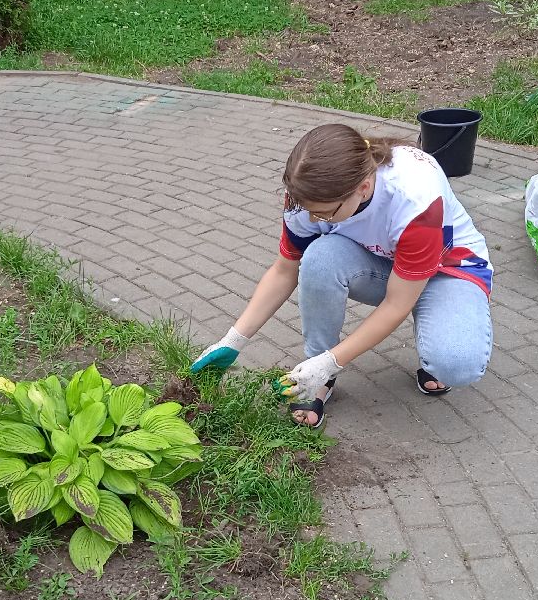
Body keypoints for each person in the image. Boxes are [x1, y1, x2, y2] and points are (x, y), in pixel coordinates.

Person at [190, 123, 493, 427]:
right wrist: (233, 340)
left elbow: (395, 305)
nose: (312, 219)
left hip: (448, 271)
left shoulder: (415, 200)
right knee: (319, 257)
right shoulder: (308, 194)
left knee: (454, 363)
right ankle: (316, 378)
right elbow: (284, 270)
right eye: (309, 210)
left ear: (362, 188)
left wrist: (332, 360)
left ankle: (436, 329)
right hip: (384, 265)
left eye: (324, 214)